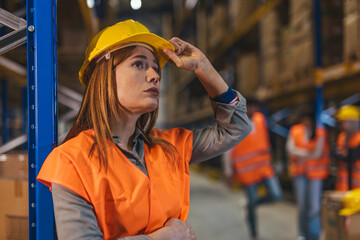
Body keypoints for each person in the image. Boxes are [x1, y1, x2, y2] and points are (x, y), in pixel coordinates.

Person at [36, 19, 251, 240]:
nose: (154, 76)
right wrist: (162, 238)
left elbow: (236, 128)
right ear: (104, 75)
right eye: (138, 64)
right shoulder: (72, 160)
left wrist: (203, 67)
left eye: (155, 68)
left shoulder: (170, 148)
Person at [222, 98, 282, 240]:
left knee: (276, 195)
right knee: (252, 205)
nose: (253, 110)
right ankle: (254, 235)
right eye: (251, 107)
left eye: (255, 107)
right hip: (247, 172)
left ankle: (250, 204)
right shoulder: (236, 123)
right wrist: (228, 172)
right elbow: (227, 149)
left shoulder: (261, 119)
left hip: (265, 168)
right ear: (244, 108)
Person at [286, 114, 330, 240]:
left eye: (309, 118)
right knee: (302, 205)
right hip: (299, 173)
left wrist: (299, 152)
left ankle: (314, 235)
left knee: (314, 207)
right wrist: (308, 154)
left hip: (316, 174)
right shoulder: (295, 130)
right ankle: (302, 234)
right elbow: (290, 149)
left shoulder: (321, 132)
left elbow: (318, 153)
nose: (306, 121)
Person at [335, 105, 360, 191]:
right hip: (343, 186)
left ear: (354, 122)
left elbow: (352, 157)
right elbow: (337, 155)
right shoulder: (341, 137)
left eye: (344, 122)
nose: (341, 125)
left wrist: (346, 154)